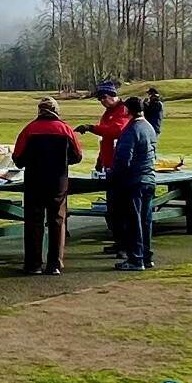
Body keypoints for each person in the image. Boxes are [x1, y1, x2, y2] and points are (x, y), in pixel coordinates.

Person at [12, 97, 83, 275]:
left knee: (34, 222)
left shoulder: (29, 129)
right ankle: (55, 264)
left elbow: (18, 158)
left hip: (34, 181)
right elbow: (77, 155)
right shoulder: (65, 129)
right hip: (58, 181)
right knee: (57, 221)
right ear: (56, 111)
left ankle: (33, 264)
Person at [75, 82, 132, 254]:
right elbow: (105, 140)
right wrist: (100, 160)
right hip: (109, 164)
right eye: (100, 99)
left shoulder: (123, 111)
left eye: (104, 98)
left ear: (111, 95)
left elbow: (115, 131)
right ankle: (119, 241)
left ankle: (126, 244)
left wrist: (91, 128)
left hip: (121, 167)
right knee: (113, 208)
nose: (102, 102)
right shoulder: (108, 113)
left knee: (122, 208)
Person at [108, 97, 158, 271]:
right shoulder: (149, 127)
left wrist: (113, 174)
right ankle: (146, 255)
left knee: (133, 221)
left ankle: (136, 259)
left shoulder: (131, 130)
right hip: (148, 178)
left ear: (127, 110)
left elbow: (123, 158)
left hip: (134, 180)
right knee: (145, 220)